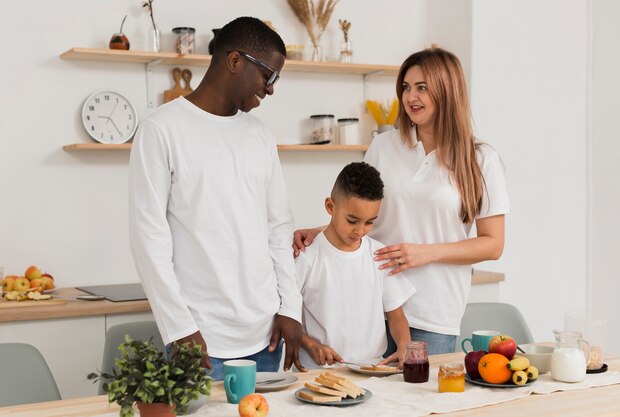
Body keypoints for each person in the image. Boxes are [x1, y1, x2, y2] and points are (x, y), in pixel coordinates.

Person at [293, 47, 509, 355]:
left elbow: (492, 244)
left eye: (422, 87)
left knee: (420, 400)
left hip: (433, 311)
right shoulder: (384, 146)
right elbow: (365, 211)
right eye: (406, 88)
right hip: (369, 304)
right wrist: (320, 232)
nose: (411, 97)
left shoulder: (481, 159)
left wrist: (426, 253)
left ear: (447, 91)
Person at [129, 17, 303, 380]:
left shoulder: (260, 136)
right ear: (235, 61)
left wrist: (291, 307)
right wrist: (178, 327)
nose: (271, 89)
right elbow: (149, 239)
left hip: (266, 338)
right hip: (200, 342)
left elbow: (278, 230)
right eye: (268, 75)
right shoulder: (161, 130)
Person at [295, 162, 414, 370]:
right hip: (316, 373)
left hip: (370, 370)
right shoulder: (307, 256)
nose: (360, 230)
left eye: (369, 222)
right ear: (330, 207)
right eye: (352, 220)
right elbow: (285, 318)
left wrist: (404, 345)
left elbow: (396, 317)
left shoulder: (379, 256)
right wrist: (311, 345)